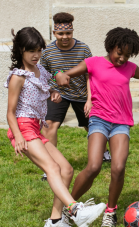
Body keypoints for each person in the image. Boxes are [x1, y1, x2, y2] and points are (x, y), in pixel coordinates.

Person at [55, 27, 139, 227]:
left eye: (127, 55)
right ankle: (70, 207)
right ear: (110, 47)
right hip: (99, 120)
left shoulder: (130, 67)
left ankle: (110, 212)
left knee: (118, 168)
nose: (122, 59)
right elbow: (66, 73)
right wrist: (60, 75)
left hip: (121, 122)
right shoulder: (94, 62)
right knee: (94, 166)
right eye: (119, 53)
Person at [5, 27, 106, 227]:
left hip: (36, 128)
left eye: (39, 50)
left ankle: (55, 221)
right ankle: (76, 209)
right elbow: (10, 112)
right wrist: (18, 136)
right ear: (20, 51)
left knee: (66, 170)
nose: (36, 55)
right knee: (52, 168)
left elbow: (48, 82)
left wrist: (53, 92)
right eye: (31, 51)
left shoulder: (40, 70)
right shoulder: (18, 76)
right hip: (23, 128)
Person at [40, 12, 111, 182]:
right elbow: (42, 75)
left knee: (92, 125)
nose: (65, 37)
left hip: (81, 94)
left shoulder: (83, 49)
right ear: (54, 33)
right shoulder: (47, 52)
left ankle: (103, 152)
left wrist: (89, 99)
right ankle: (50, 165)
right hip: (58, 94)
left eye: (68, 33)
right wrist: (51, 91)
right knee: (49, 126)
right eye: (60, 33)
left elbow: (90, 75)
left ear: (72, 31)